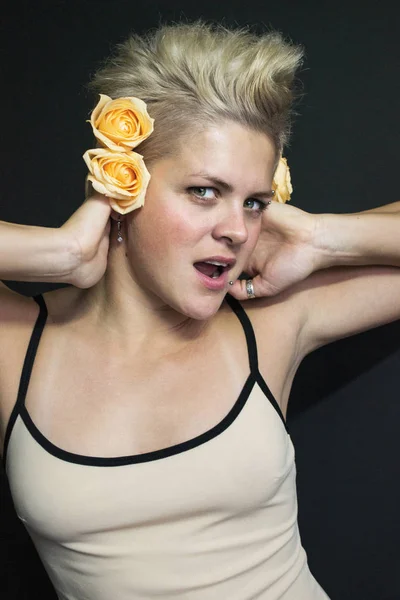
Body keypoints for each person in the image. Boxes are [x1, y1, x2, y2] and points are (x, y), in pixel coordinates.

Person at [0, 19, 399, 600]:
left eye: (255, 202)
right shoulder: (17, 343)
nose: (237, 230)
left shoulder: (269, 321)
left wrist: (322, 238)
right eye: (204, 192)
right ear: (122, 186)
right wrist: (58, 251)